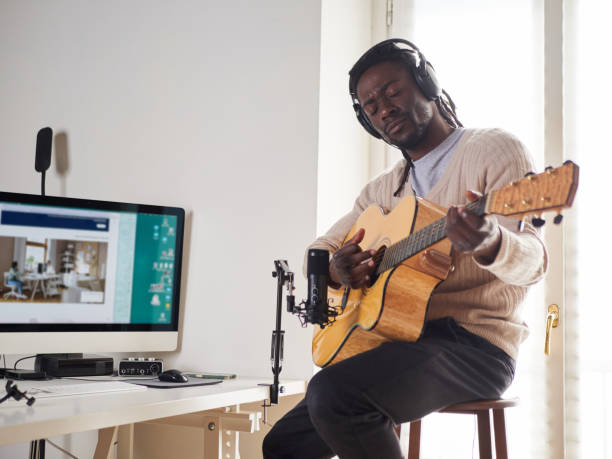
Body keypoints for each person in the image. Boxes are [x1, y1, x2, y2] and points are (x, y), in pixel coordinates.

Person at [262, 39, 548, 459]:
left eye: (392, 91)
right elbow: (319, 251)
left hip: (474, 347)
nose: (383, 109)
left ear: (425, 84)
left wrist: (491, 243)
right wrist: (340, 271)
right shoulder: (381, 191)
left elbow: (534, 262)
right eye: (371, 105)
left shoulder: (492, 150)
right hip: (394, 343)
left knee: (336, 394)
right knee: (283, 445)